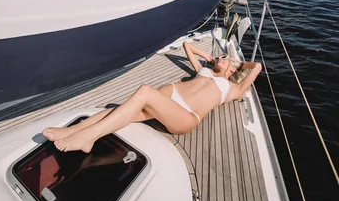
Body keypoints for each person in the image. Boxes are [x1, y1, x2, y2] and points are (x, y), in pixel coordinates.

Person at [43, 40, 262, 153]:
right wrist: (209, 57)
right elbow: (187, 46)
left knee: (145, 91)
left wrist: (238, 64)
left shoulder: (231, 90)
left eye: (224, 58)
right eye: (220, 56)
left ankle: (90, 135)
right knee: (118, 111)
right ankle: (73, 130)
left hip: (186, 115)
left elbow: (257, 67)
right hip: (169, 98)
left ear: (232, 69)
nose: (220, 57)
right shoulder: (204, 69)